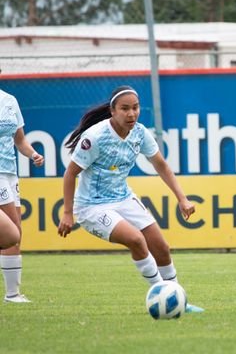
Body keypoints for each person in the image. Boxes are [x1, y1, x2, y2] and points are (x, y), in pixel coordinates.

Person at [57, 86, 204, 313]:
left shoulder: (140, 132)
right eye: (125, 109)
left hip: (124, 198)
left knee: (161, 247)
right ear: (112, 111)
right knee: (136, 240)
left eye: (135, 108)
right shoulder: (95, 137)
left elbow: (161, 165)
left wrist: (182, 198)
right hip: (92, 207)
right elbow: (70, 174)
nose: (131, 114)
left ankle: (178, 301)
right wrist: (67, 212)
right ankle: (165, 297)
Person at [0, 78, 45, 303]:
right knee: (11, 231)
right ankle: (12, 294)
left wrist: (32, 154)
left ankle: (12, 294)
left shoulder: (9, 101)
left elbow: (20, 141)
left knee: (15, 233)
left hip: (9, 172)